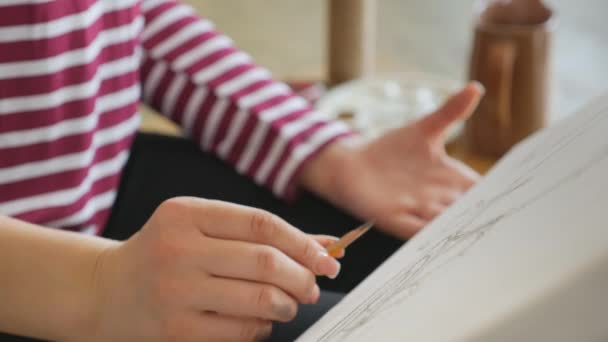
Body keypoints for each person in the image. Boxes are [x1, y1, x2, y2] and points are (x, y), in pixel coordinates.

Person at [0, 1, 483, 341]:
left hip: (105, 186)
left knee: (433, 266)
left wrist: (325, 153)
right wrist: (97, 287)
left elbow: (133, 16)